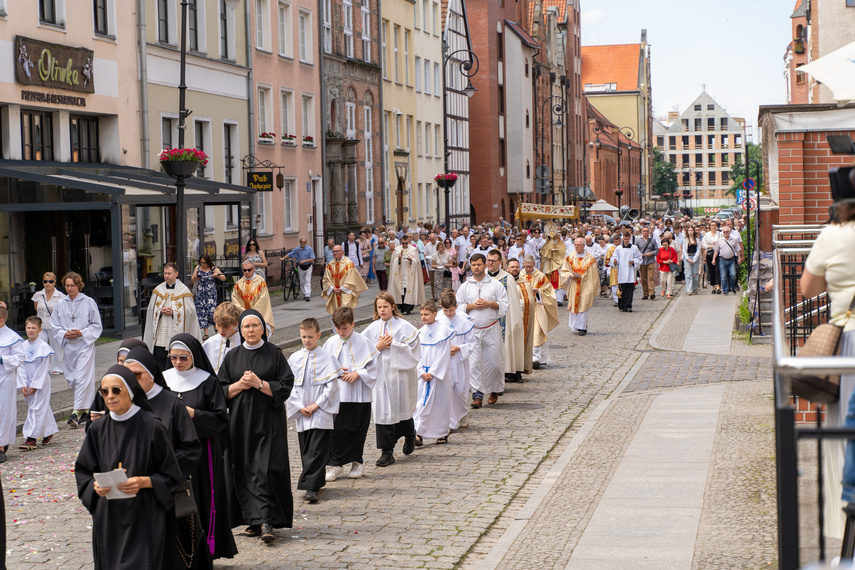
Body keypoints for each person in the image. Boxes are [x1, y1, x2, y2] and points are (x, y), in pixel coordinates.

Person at [74, 365, 182, 570]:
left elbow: (171, 474)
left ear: (131, 391)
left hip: (144, 515)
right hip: (108, 518)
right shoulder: (97, 430)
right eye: (104, 392)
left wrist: (145, 481)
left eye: (116, 390)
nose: (110, 396)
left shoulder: (152, 426)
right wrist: (94, 486)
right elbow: (83, 471)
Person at [123, 345, 210, 570]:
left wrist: (159, 471)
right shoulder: (123, 406)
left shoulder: (171, 403)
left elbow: (191, 448)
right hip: (132, 496)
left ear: (151, 376)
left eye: (137, 375)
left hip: (166, 493)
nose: (131, 380)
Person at [801, 198, 855, 540]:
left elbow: (809, 288)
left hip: (849, 339)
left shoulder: (833, 235)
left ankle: (844, 527)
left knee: (845, 436)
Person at [158, 336, 237, 560]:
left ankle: (203, 552)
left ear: (194, 357)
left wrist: (194, 414)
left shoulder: (208, 382)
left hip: (202, 453)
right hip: (171, 450)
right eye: (173, 357)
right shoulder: (163, 380)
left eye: (183, 358)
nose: (177, 362)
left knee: (200, 498)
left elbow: (220, 419)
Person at [219, 309, 294, 543]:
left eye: (254, 326)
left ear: (263, 328)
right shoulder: (232, 357)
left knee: (267, 469)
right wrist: (241, 384)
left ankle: (267, 520)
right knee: (243, 468)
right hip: (240, 423)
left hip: (268, 422)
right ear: (240, 331)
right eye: (246, 327)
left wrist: (259, 383)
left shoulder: (274, 354)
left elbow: (285, 387)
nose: (250, 330)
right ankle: (252, 519)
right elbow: (220, 392)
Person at [362, 292, 421, 467]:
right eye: (379, 307)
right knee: (383, 412)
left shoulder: (404, 326)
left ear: (393, 307)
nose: (382, 310)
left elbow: (414, 352)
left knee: (401, 408)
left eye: (385, 306)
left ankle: (410, 434)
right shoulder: (372, 329)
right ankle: (387, 452)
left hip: (399, 375)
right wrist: (378, 347)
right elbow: (362, 352)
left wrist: (393, 345)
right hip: (380, 376)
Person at [286, 318, 341, 503]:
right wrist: (300, 406)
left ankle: (311, 487)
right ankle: (314, 481)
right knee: (306, 449)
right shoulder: (294, 358)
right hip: (302, 411)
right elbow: (289, 386)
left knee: (318, 449)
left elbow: (331, 386)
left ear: (318, 335)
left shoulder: (327, 358)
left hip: (321, 410)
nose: (307, 340)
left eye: (310, 336)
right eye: (303, 337)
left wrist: (317, 404)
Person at [324, 307, 378, 482]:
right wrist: (337, 372)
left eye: (345, 328)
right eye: (338, 328)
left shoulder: (363, 341)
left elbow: (374, 367)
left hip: (359, 394)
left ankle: (357, 461)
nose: (341, 331)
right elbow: (325, 367)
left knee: (357, 428)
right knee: (337, 430)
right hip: (338, 395)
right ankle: (336, 464)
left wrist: (358, 374)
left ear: (353, 324)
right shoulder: (331, 343)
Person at [456, 254, 509, 409]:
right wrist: (472, 306)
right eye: (473, 265)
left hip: (491, 328)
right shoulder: (465, 286)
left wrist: (489, 304)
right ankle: (477, 395)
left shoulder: (495, 284)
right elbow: (458, 307)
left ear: (485, 265)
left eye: (479, 264)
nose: (476, 267)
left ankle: (494, 389)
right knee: (473, 364)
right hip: (472, 331)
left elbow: (505, 305)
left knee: (494, 363)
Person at [53, 272, 103, 427]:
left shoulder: (88, 302)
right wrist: (64, 333)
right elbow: (55, 325)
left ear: (79, 285)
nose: (69, 288)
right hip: (68, 346)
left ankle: (75, 412)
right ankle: (85, 410)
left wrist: (82, 332)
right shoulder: (61, 304)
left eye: (72, 285)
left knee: (82, 377)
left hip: (84, 344)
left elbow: (96, 324)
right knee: (73, 379)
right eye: (67, 285)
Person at [144, 262, 201, 370]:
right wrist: (160, 311)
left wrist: (174, 312)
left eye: (169, 273)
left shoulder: (184, 291)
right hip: (160, 335)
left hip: (175, 333)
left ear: (176, 274)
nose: (166, 276)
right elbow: (151, 309)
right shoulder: (158, 290)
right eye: (165, 273)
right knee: (159, 363)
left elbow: (190, 312)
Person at [413, 300, 454, 445]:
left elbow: (444, 355)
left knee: (439, 404)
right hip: (423, 375)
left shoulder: (443, 332)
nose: (423, 317)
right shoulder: (419, 333)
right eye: (422, 314)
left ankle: (441, 433)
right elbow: (416, 355)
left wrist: (433, 372)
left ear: (435, 314)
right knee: (421, 404)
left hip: (438, 375)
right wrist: (421, 371)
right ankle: (418, 433)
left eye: (426, 314)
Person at [17, 316, 58, 451]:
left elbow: (43, 369)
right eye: (28, 327)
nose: (31, 330)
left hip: (40, 383)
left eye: (34, 328)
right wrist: (23, 384)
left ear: (39, 330)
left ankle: (31, 438)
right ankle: (49, 431)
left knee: (36, 408)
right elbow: (20, 366)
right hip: (27, 382)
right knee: (39, 407)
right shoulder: (22, 346)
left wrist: (35, 385)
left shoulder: (43, 347)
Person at [436, 290, 474, 430]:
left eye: (451, 310)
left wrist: (459, 348)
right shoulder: (438, 318)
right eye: (446, 310)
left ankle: (462, 413)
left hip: (458, 361)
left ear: (456, 307)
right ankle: (449, 423)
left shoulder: (464, 321)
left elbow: (471, 343)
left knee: (459, 391)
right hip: (443, 361)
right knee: (446, 392)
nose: (448, 314)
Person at [486, 250, 525, 385]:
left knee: (507, 343)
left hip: (505, 318)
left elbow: (513, 301)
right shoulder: (483, 276)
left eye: (493, 261)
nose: (490, 263)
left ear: (500, 262)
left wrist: (514, 320)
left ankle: (510, 370)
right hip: (487, 317)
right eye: (488, 260)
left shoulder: (507, 278)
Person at [0, 306, 25, 462]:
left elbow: (20, 357)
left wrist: (3, 360)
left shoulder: (11, 336)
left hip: (5, 378)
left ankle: (1, 446)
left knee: (4, 411)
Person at [32, 271, 65, 374]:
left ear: (54, 282)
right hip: (41, 325)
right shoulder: (38, 295)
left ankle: (57, 367)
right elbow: (36, 309)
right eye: (45, 281)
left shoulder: (60, 296)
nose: (48, 284)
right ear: (43, 282)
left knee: (56, 346)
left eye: (50, 281)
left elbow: (63, 312)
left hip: (54, 325)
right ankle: (42, 367)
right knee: (40, 344)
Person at [322, 245, 368, 315]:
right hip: (334, 294)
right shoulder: (330, 265)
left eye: (337, 251)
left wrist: (342, 289)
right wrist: (332, 288)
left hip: (345, 293)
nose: (335, 253)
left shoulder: (349, 263)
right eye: (333, 251)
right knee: (336, 315)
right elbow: (326, 279)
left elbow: (352, 279)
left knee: (345, 314)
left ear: (342, 252)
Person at [507, 260, 535, 374]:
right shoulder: (502, 282)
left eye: (517, 267)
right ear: (507, 268)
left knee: (519, 344)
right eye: (512, 267)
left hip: (521, 320)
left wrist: (519, 303)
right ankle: (507, 371)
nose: (515, 269)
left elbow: (530, 302)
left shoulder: (525, 283)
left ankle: (518, 371)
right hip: (507, 321)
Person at [387, 233, 426, 315]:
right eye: (403, 243)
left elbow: (417, 262)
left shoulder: (413, 250)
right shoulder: (397, 250)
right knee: (400, 290)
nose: (404, 245)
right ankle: (401, 308)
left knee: (408, 290)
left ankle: (408, 308)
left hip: (409, 275)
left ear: (408, 242)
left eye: (406, 243)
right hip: (400, 273)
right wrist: (399, 259)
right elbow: (393, 262)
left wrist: (411, 260)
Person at [232, 260, 275, 332]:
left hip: (257, 315)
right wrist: (243, 311)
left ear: (253, 269)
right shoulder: (238, 284)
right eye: (245, 270)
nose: (247, 272)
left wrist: (252, 312)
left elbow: (263, 300)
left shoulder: (261, 282)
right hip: (243, 315)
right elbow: (234, 300)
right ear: (242, 270)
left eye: (249, 270)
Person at [192, 254, 226, 340]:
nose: (202, 264)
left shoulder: (213, 268)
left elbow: (223, 277)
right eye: (201, 262)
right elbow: (192, 279)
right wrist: (195, 277)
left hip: (211, 293)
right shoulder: (197, 268)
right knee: (202, 312)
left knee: (212, 311)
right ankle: (206, 333)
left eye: (204, 263)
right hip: (201, 293)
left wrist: (217, 275)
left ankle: (216, 329)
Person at [203, 302, 242, 374]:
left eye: (226, 326)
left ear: (235, 323)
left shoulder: (243, 342)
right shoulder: (209, 343)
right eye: (218, 325)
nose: (221, 330)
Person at [611, 232, 643, 313]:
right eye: (624, 239)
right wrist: (615, 261)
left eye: (627, 239)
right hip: (621, 271)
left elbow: (639, 258)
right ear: (623, 239)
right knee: (622, 289)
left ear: (630, 239)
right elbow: (615, 257)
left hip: (630, 272)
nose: (626, 241)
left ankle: (628, 305)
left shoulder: (634, 248)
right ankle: (622, 305)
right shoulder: (618, 248)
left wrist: (634, 261)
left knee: (629, 290)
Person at [283, 237, 317, 302]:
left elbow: (312, 258)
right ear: (300, 243)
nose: (303, 243)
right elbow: (290, 254)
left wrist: (305, 261)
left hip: (308, 266)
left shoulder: (309, 249)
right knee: (302, 281)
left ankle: (307, 295)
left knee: (307, 280)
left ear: (306, 243)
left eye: (304, 242)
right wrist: (283, 258)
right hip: (300, 266)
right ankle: (304, 293)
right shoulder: (297, 249)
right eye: (302, 242)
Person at [540, 231, 567, 307]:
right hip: (548, 265)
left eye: (555, 234)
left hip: (557, 265)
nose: (554, 236)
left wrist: (555, 251)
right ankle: (549, 298)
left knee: (558, 282)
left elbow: (562, 252)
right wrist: (549, 251)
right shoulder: (548, 243)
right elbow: (543, 251)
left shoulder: (561, 243)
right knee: (549, 282)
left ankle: (558, 299)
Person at [712, 226, 741, 295]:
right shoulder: (719, 240)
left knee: (733, 274)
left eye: (727, 232)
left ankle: (732, 287)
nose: (725, 233)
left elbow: (737, 250)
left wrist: (739, 258)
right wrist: (713, 259)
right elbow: (716, 251)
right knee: (723, 276)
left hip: (731, 259)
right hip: (722, 259)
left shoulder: (733, 240)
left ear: (729, 232)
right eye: (724, 232)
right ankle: (725, 290)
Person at [635, 225, 659, 300]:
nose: (645, 232)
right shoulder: (638, 240)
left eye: (647, 231)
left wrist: (651, 253)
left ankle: (652, 292)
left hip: (650, 261)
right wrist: (639, 254)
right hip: (642, 262)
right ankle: (645, 293)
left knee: (651, 277)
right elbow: (635, 250)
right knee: (644, 279)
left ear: (649, 232)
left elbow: (657, 250)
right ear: (642, 232)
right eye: (644, 231)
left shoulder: (652, 240)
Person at [702, 221, 722, 294]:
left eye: (714, 225)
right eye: (712, 225)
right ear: (710, 226)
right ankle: (713, 287)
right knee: (711, 270)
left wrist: (717, 245)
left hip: (718, 253)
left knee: (717, 270)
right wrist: (710, 246)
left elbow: (722, 242)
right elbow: (703, 244)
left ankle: (718, 286)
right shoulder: (707, 235)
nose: (713, 226)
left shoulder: (720, 234)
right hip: (710, 253)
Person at [683, 225, 702, 295]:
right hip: (688, 257)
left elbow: (698, 250)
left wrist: (694, 260)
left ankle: (695, 288)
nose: (690, 232)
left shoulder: (697, 240)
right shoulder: (686, 240)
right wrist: (688, 258)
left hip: (695, 257)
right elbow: (684, 250)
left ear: (693, 231)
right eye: (689, 231)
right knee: (688, 275)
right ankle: (689, 289)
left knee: (695, 274)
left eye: (691, 230)